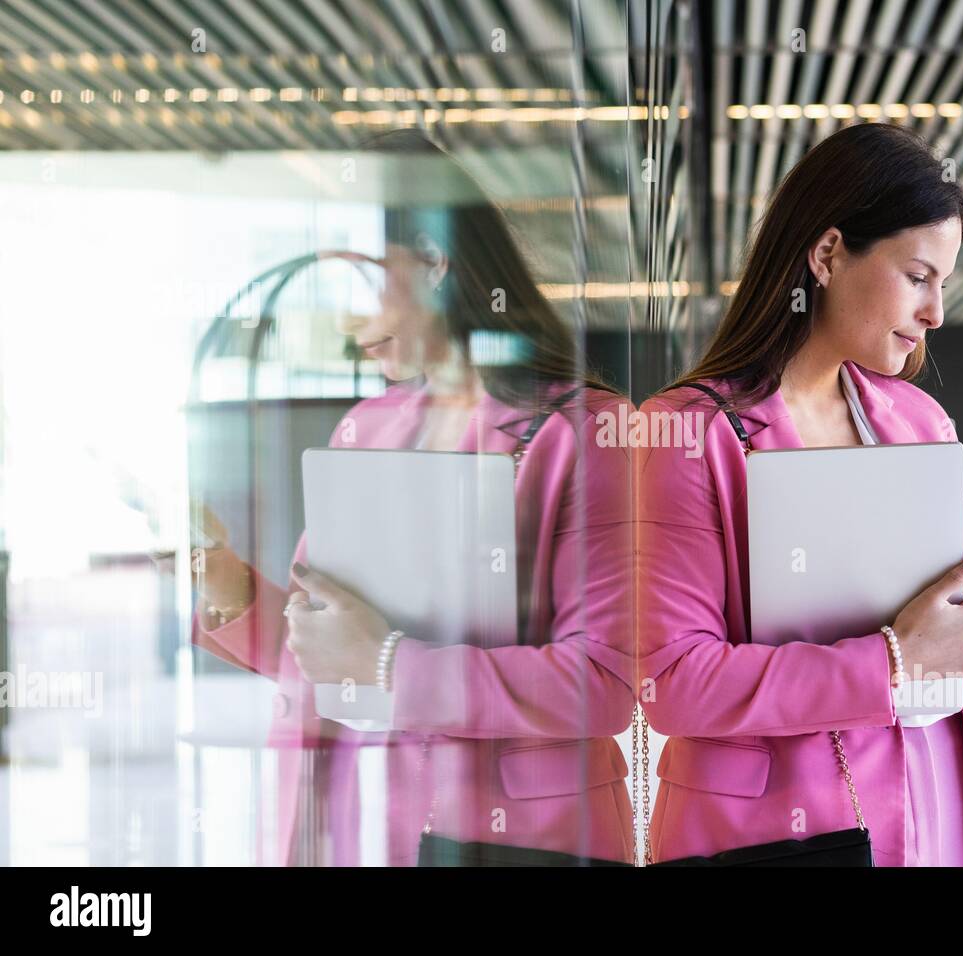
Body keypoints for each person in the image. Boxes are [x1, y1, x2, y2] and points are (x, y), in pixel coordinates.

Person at [635, 122, 963, 866]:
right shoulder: (690, 436)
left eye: (943, 283)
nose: (935, 312)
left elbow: (956, 649)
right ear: (826, 255)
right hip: (790, 835)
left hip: (951, 803)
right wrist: (888, 663)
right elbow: (673, 682)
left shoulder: (915, 421)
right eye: (918, 277)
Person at [191, 133, 635, 866]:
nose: (341, 317)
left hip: (509, 839)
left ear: (432, 263)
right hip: (353, 822)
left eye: (356, 276)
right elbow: (329, 652)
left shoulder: (586, 432)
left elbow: (604, 682)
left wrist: (391, 662)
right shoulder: (367, 427)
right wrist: (224, 580)